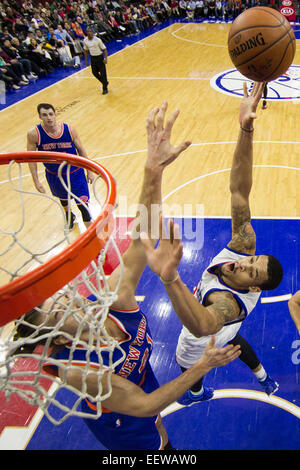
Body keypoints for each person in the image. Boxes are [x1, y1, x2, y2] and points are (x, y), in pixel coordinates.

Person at [14, 102, 241, 451]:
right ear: (61, 340)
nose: (69, 299)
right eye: (60, 311)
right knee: (157, 447)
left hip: (140, 381)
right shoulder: (79, 372)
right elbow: (145, 405)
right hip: (121, 421)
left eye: (58, 298)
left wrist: (153, 169)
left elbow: (142, 233)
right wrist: (203, 366)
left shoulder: (113, 301)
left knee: (160, 428)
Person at [141, 82, 284, 406]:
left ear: (255, 288)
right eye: (253, 259)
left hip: (203, 334)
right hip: (223, 328)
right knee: (235, 342)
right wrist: (245, 130)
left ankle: (192, 393)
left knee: (188, 361)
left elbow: (203, 324)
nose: (245, 263)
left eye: (251, 272)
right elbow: (239, 190)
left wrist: (171, 278)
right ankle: (262, 377)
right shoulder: (244, 245)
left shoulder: (228, 303)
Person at [27, 103, 94, 230]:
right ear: (40, 117)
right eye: (44, 115)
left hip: (75, 173)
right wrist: (36, 181)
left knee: (84, 207)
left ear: (55, 114)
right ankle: (69, 215)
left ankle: (92, 239)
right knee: (63, 198)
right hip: (54, 175)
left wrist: (89, 171)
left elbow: (81, 150)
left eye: (51, 114)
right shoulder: (34, 134)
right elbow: (31, 159)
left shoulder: (69, 129)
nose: (49, 118)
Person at [83, 27, 109, 95]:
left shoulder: (98, 40)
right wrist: (86, 60)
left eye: (90, 31)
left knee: (103, 74)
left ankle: (105, 88)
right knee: (94, 73)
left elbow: (104, 49)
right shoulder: (85, 40)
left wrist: (106, 58)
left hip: (99, 57)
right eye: (88, 32)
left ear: (92, 32)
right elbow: (85, 51)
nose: (89, 33)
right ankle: (105, 82)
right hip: (93, 58)